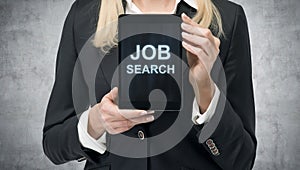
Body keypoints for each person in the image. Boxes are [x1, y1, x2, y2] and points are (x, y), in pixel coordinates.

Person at [43, 0, 257, 169]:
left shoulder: (227, 19)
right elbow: (54, 143)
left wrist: (205, 88)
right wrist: (96, 122)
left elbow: (241, 160)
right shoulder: (84, 15)